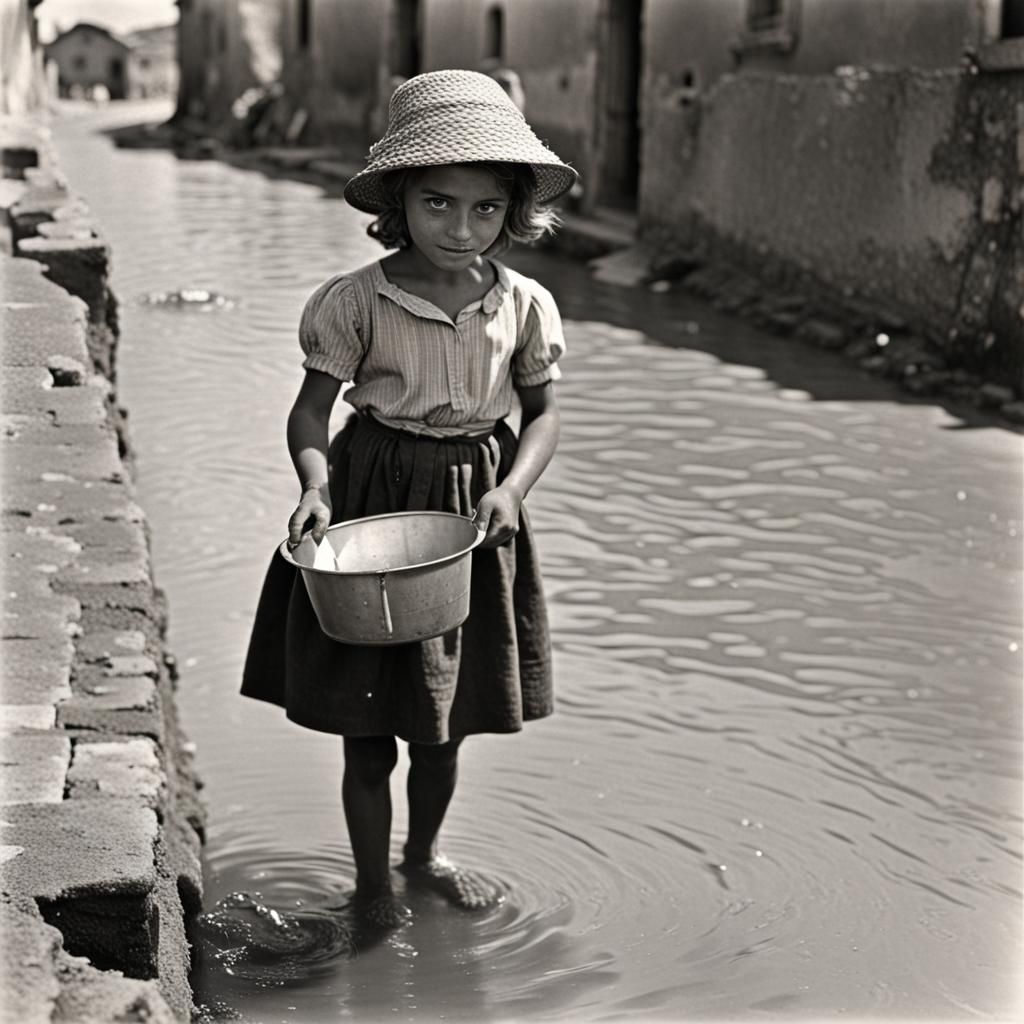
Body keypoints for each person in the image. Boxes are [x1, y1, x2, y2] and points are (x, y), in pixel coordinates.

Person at [241, 70, 578, 929]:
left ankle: (423, 856)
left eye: (484, 210)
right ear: (398, 199)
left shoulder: (526, 306)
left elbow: (542, 418)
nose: (460, 229)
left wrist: (512, 488)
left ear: (512, 212)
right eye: (437, 205)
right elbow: (312, 413)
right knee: (367, 723)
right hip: (371, 499)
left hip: (474, 511)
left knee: (444, 718)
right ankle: (372, 891)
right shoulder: (355, 302)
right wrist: (316, 488)